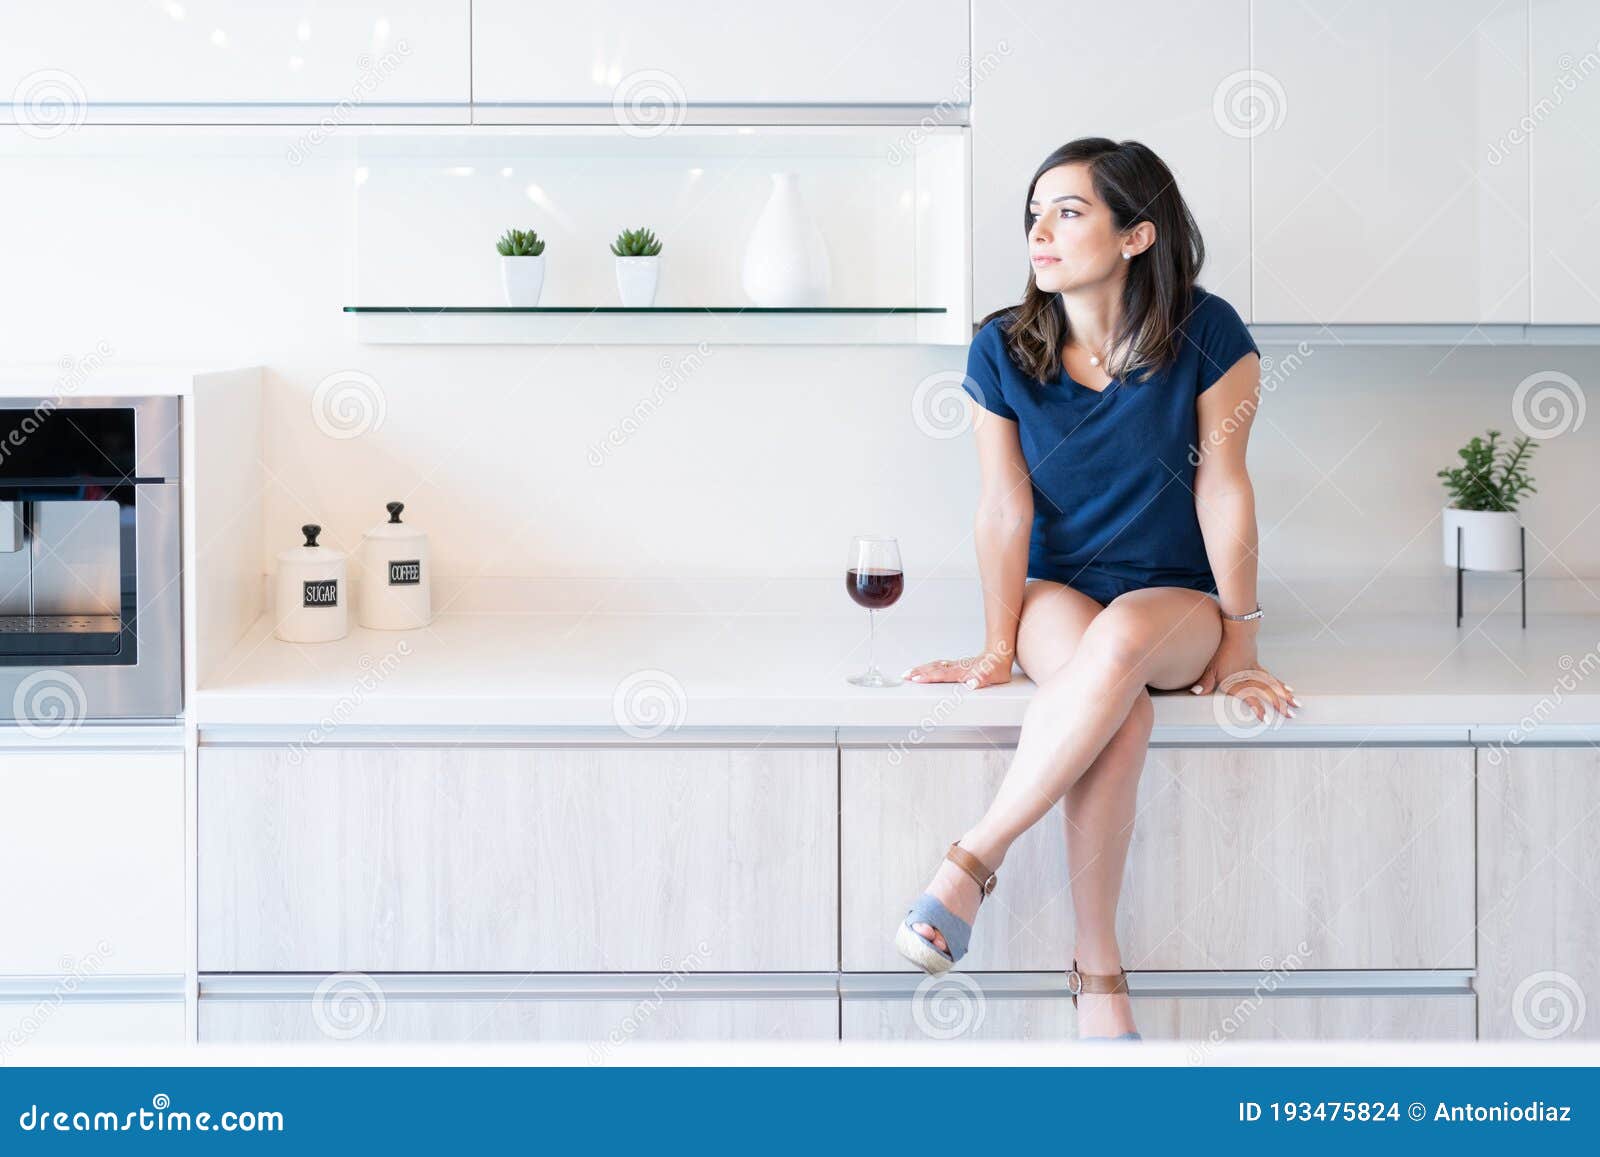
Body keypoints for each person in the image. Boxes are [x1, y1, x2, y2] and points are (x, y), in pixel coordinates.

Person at [895, 137, 1297, 1041]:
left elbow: (1223, 485)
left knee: (1120, 647)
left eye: (1068, 211)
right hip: (1057, 594)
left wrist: (1242, 636)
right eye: (1033, 212)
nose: (1039, 231)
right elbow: (1004, 507)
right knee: (1124, 709)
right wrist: (1000, 643)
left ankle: (971, 859)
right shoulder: (1001, 346)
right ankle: (1098, 974)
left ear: (1137, 235)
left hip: (1174, 604)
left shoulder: (1210, 333)